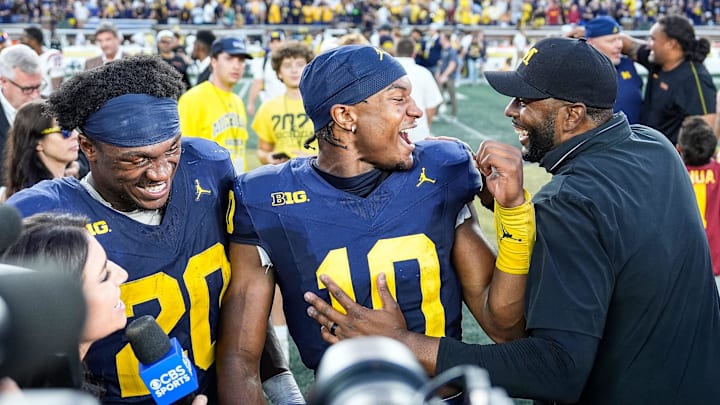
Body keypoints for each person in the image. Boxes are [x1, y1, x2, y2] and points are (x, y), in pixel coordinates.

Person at [305, 38, 720, 403]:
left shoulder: (568, 202)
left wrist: (403, 342)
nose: (510, 110)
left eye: (525, 101)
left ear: (573, 114)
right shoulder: (655, 145)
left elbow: (556, 369)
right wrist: (501, 207)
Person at [217, 44, 534, 403]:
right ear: (345, 116)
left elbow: (505, 328)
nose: (416, 112)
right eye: (398, 99)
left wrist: (512, 210)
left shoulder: (444, 170)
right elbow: (240, 359)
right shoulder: (264, 198)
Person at [6, 55, 303, 404]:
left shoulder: (207, 167)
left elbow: (241, 288)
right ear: (88, 148)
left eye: (171, 149)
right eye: (139, 159)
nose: (161, 173)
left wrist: (278, 380)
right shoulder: (43, 214)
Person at [620, 14, 716, 144]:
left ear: (671, 44)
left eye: (653, 39)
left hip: (670, 160)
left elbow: (705, 134)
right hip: (645, 152)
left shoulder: (695, 79)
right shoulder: (656, 60)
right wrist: (588, 33)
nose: (648, 44)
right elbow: (626, 44)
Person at [179, 36, 253, 174]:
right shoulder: (193, 98)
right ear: (213, 61)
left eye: (241, 60)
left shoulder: (237, 101)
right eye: (229, 58)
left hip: (235, 185)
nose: (237, 65)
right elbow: (182, 153)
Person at [1, 99, 79, 202]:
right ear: (38, 142)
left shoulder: (73, 185)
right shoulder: (32, 199)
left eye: (74, 128)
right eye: (64, 131)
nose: (76, 135)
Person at [253, 40, 315, 165]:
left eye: (299, 64)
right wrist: (269, 158)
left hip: (318, 178)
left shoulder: (324, 105)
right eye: (287, 65)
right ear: (279, 73)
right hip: (283, 178)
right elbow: (262, 151)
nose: (294, 70)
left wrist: (313, 158)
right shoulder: (268, 108)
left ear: (309, 68)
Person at [676, 116, 720, 292]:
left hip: (686, 268)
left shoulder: (675, 175)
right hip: (716, 264)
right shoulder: (718, 171)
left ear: (679, 149)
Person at [584, 16, 642, 124]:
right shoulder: (582, 72)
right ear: (591, 43)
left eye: (619, 39)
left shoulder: (627, 64)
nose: (619, 45)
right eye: (611, 41)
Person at [0, 44, 43, 173]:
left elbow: (82, 154)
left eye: (39, 86)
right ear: (3, 82)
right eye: (27, 89)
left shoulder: (50, 108)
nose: (36, 95)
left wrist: (76, 167)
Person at [394, 37, 444, 142]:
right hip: (418, 134)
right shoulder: (424, 73)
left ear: (395, 51)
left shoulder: (383, 73)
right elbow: (431, 106)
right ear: (414, 53)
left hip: (390, 134)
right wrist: (425, 127)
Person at [247, 30, 286, 116]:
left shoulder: (292, 60)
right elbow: (257, 83)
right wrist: (251, 103)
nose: (275, 45)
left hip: (289, 107)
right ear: (269, 44)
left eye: (278, 41)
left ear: (284, 42)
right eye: (272, 42)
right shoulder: (263, 61)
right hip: (270, 108)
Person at [20, 26, 63, 98]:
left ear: (33, 40)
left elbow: (57, 85)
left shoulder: (52, 55)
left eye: (24, 38)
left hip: (47, 99)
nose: (22, 41)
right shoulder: (24, 57)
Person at [435, 32, 458, 120]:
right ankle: (436, 113)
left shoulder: (452, 50)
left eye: (441, 38)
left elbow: (452, 65)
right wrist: (438, 73)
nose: (440, 40)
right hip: (442, 76)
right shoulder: (443, 50)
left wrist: (444, 75)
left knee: (452, 96)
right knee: (438, 95)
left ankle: (453, 115)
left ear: (445, 39)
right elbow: (441, 63)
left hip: (449, 77)